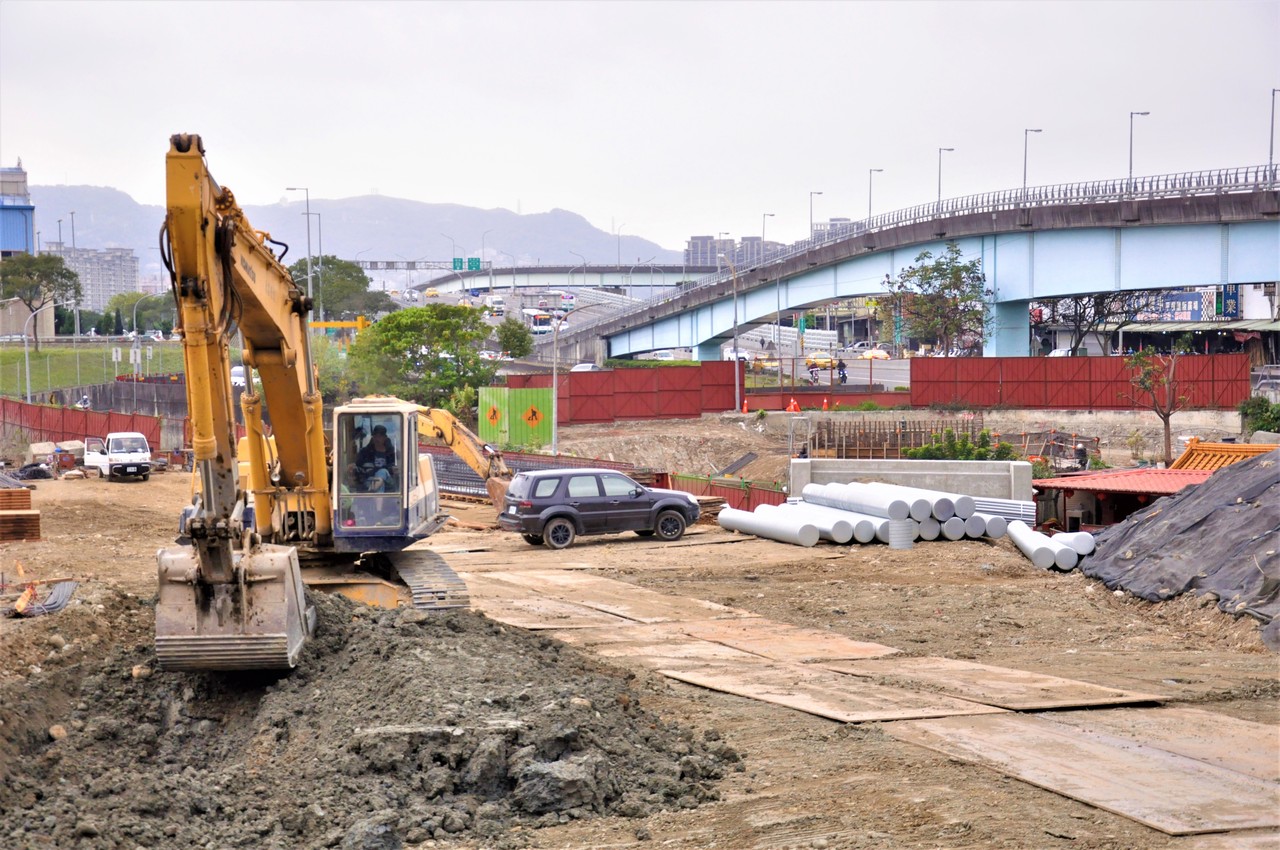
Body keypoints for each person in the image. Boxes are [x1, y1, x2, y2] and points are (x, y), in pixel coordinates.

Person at [349, 424, 396, 491]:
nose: (377, 438)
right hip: (369, 479)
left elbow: (396, 468)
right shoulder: (364, 452)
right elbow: (359, 468)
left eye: (380, 436)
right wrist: (353, 467)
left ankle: (373, 491)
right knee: (379, 482)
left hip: (389, 480)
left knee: (383, 472)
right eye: (375, 436)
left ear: (385, 438)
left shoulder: (392, 453)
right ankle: (376, 493)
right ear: (373, 437)